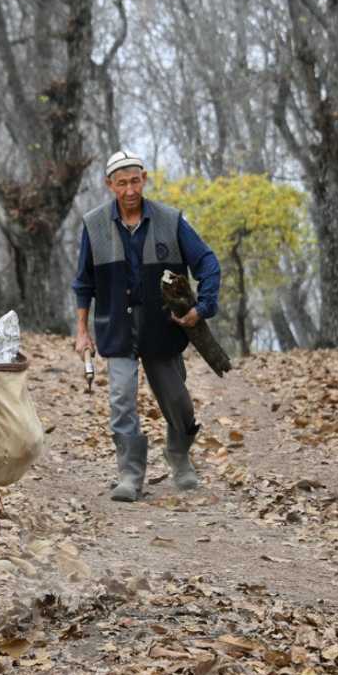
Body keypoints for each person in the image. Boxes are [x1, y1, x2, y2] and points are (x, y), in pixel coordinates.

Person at [72, 150, 221, 502]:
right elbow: (83, 283)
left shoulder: (171, 220)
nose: (129, 190)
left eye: (134, 181)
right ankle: (130, 473)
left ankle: (179, 456)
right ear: (109, 185)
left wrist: (202, 307)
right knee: (122, 399)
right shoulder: (94, 225)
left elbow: (208, 262)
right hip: (116, 326)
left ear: (145, 179)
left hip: (164, 326)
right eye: (121, 183)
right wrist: (81, 331)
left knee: (178, 401)